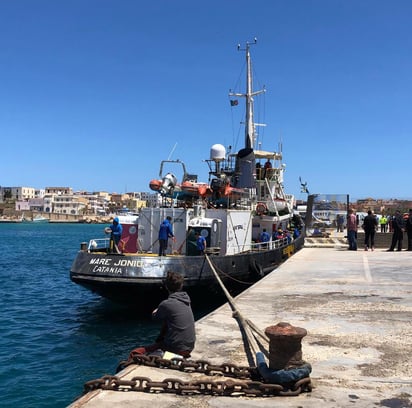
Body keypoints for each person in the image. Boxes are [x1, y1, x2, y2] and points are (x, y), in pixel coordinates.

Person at [127, 271, 195, 359]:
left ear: (166, 287)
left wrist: (157, 310)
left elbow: (155, 317)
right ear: (181, 285)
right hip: (189, 347)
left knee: (135, 353)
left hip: (175, 348)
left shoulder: (166, 304)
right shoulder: (186, 301)